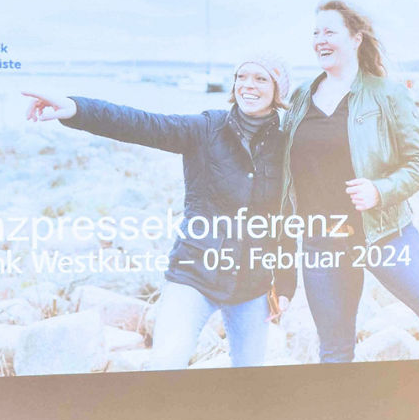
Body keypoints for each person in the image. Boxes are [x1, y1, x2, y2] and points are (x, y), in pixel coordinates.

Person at [22, 53, 296, 369]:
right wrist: (77, 109)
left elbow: (286, 219)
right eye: (242, 77)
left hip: (253, 284)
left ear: (277, 91)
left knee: (251, 378)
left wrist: (286, 282)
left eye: (261, 79)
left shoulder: (286, 144)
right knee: (166, 364)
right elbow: (142, 124)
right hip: (194, 275)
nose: (249, 85)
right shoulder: (205, 129)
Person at [281, 0, 419, 362]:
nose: (320, 39)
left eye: (329, 31)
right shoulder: (301, 98)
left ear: (355, 38)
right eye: (315, 33)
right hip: (323, 243)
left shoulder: (388, 94)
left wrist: (379, 191)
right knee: (335, 351)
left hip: (386, 235)